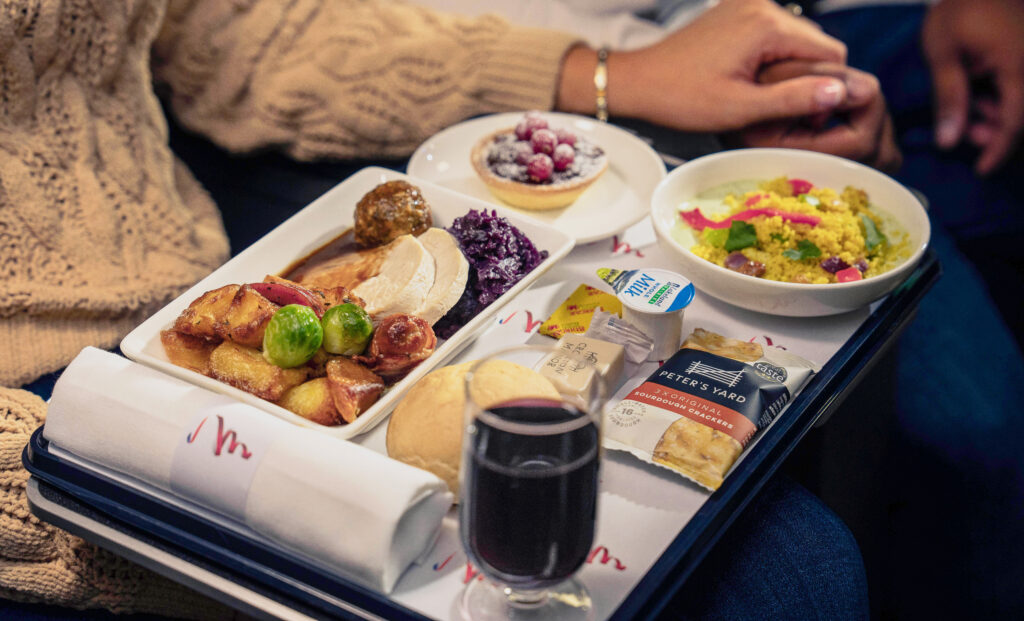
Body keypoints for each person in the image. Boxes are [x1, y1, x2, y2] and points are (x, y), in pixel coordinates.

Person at [1, 0, 885, 618]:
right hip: (52, 431)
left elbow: (247, 34)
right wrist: (157, 534)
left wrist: (610, 76)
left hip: (205, 297)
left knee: (809, 568)